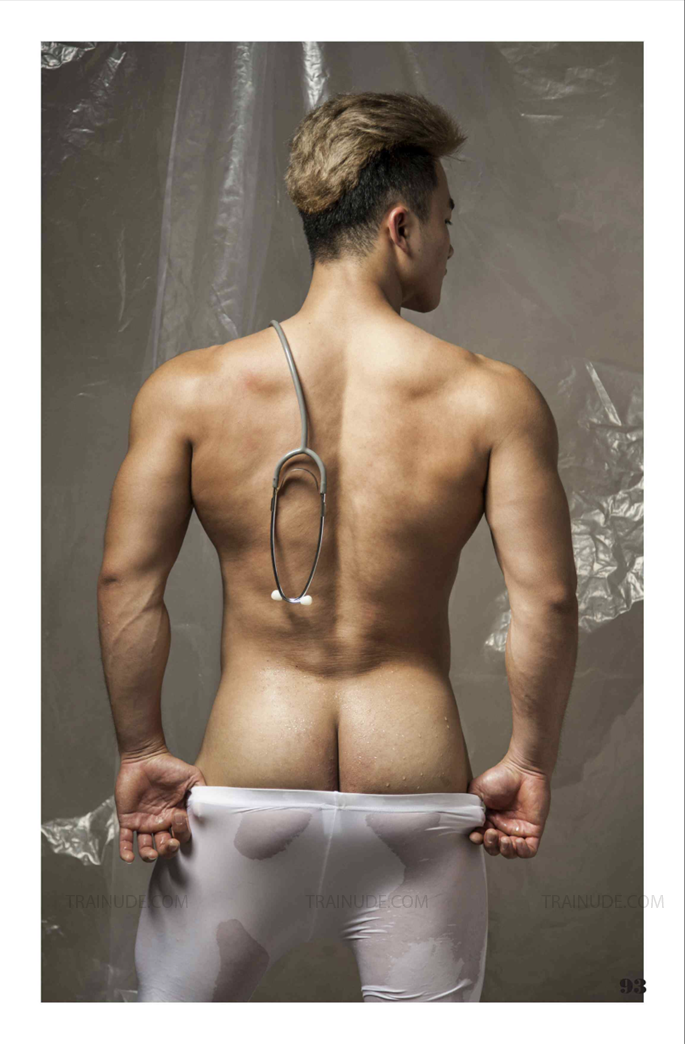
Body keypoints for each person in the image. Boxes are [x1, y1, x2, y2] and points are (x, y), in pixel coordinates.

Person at [97, 91, 578, 1002]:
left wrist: (139, 751)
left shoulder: (189, 391)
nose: (449, 243)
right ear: (400, 225)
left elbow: (127, 582)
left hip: (247, 789)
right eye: (445, 220)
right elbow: (545, 600)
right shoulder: (492, 399)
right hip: (415, 801)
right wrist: (526, 762)